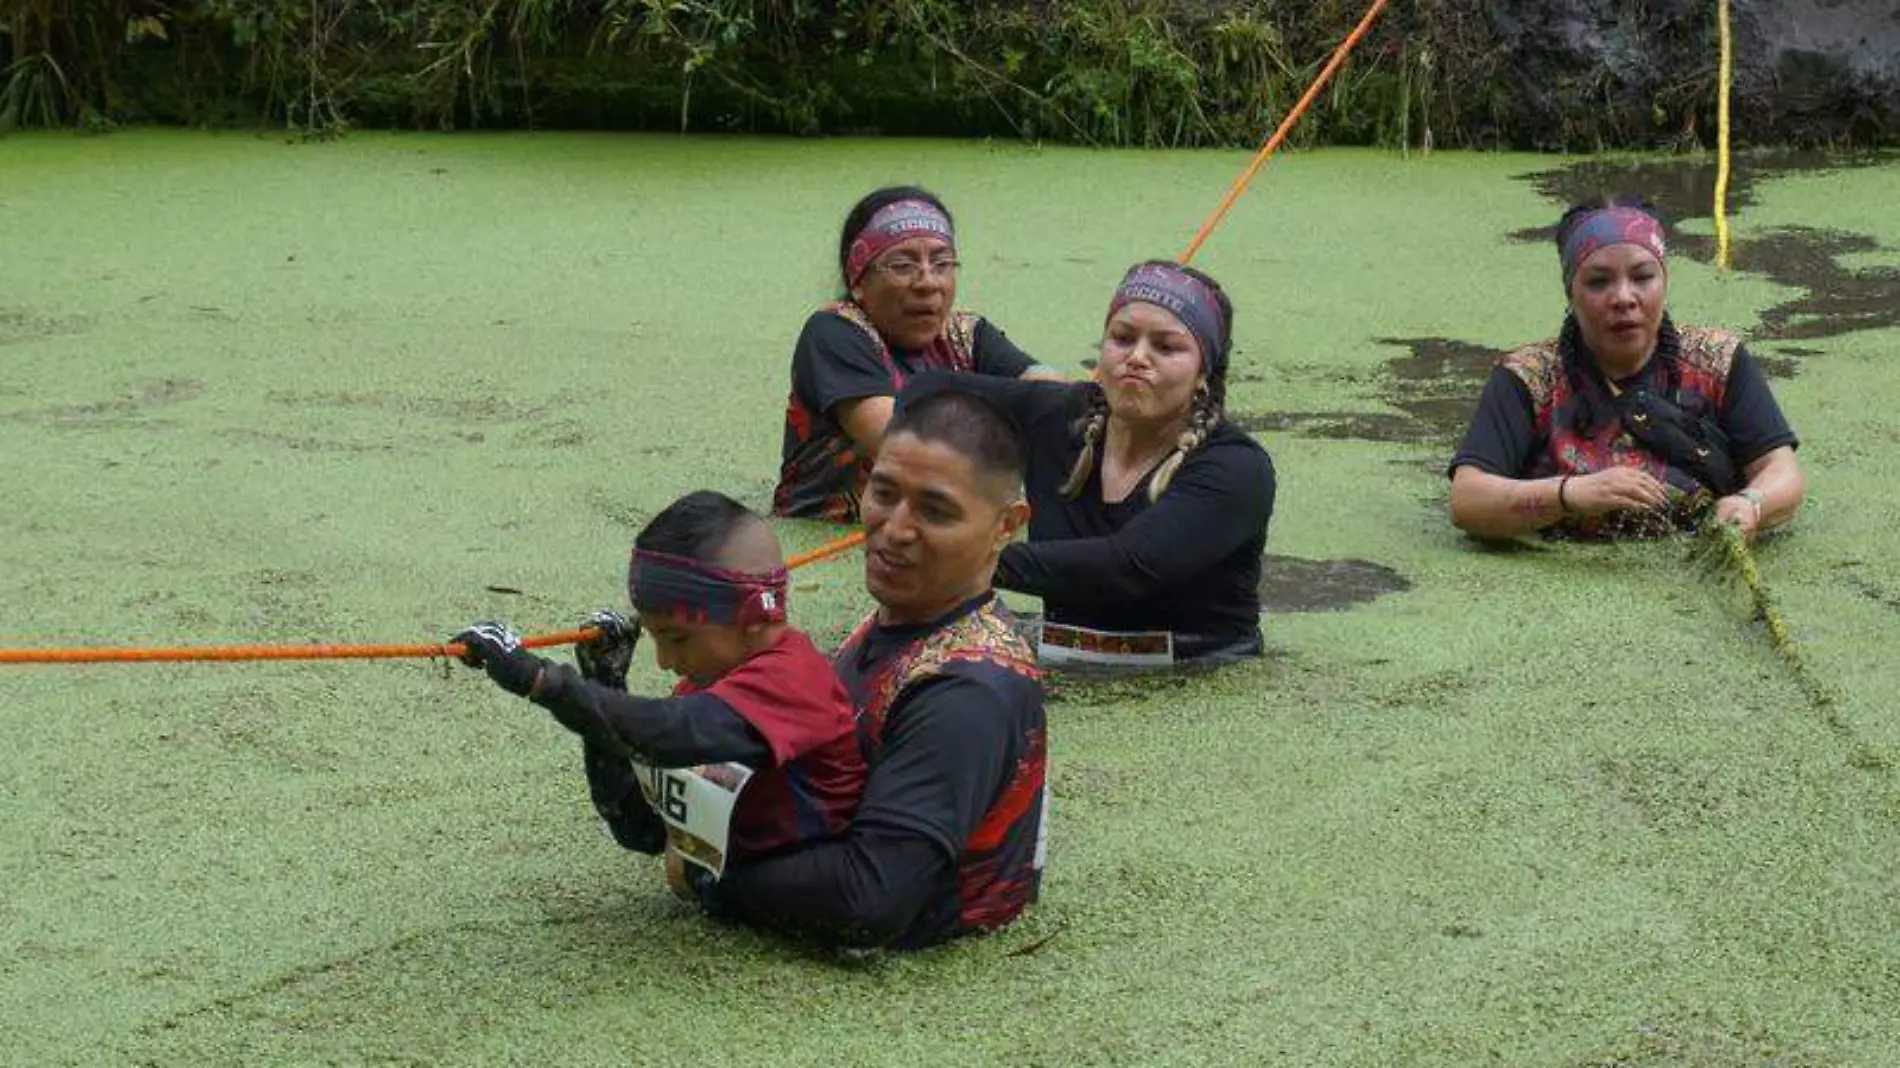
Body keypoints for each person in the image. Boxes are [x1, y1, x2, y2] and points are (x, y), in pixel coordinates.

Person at [689, 390, 1048, 951]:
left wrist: (707, 876)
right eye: (883, 493)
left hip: (921, 991)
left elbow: (871, 898)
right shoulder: (907, 614)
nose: (894, 529)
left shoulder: (966, 693)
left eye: (935, 510)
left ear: (1007, 524)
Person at [451, 491, 865, 888]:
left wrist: (540, 680)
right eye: (654, 638)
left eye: (677, 638)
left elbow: (673, 734)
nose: (665, 662)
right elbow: (641, 828)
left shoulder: (793, 681)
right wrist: (605, 679)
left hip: (818, 887)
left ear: (754, 615)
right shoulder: (704, 686)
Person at [900, 260, 1276, 666]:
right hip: (1062, 655)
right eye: (1122, 339)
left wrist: (953, 552)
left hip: (1195, 667)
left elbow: (1128, 567)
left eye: (1165, 347)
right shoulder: (1063, 413)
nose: (1137, 357)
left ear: (1204, 372)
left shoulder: (1236, 468)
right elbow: (927, 392)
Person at [1449, 196, 1805, 540]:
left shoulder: (1720, 361)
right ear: (1570, 293)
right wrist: (1569, 495)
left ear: (1664, 282)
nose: (1623, 298)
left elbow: (1780, 470)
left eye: (1642, 277)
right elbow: (1468, 501)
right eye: (1598, 282)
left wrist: (1751, 504)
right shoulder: (1526, 379)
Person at [773, 185, 1064, 522]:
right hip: (835, 530)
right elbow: (902, 448)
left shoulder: (967, 333)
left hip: (940, 533)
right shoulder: (833, 333)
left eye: (942, 264)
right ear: (858, 282)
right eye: (903, 265)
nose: (928, 282)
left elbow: (1050, 395)